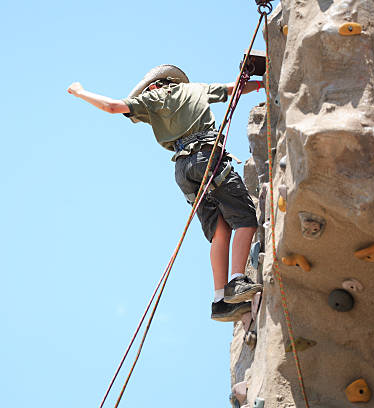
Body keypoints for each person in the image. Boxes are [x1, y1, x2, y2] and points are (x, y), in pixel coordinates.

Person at [67, 65, 263, 322]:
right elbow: (233, 88)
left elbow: (112, 107)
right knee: (245, 218)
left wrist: (80, 92)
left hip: (183, 170)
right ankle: (237, 280)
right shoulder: (194, 89)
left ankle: (220, 301)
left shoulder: (150, 100)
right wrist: (260, 84)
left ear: (155, 85)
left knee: (220, 230)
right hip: (207, 156)